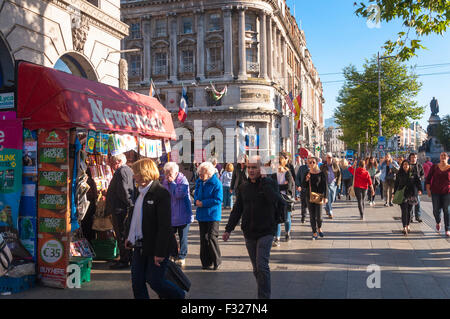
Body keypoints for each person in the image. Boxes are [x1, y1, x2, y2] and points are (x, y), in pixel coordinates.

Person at [124, 158, 185, 299]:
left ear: (144, 173)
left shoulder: (160, 193)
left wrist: (160, 252)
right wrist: (128, 236)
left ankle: (179, 296)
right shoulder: (139, 192)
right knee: (137, 282)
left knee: (155, 281)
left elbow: (164, 226)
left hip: (155, 246)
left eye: (135, 173)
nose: (133, 176)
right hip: (139, 245)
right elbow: (134, 217)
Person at [222, 156, 280, 299]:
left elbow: (275, 200)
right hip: (249, 232)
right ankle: (263, 288)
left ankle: (264, 297)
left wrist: (265, 182)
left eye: (254, 167)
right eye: (249, 167)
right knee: (256, 269)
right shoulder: (243, 187)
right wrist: (228, 229)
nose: (251, 170)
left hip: (266, 230)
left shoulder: (270, 183)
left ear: (261, 168)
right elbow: (237, 209)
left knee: (262, 265)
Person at [105, 154, 135, 269]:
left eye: (113, 163)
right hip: (122, 207)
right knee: (124, 233)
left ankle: (124, 259)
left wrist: (130, 204)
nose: (112, 166)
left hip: (119, 209)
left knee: (121, 234)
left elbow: (124, 190)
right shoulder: (128, 170)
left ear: (118, 162)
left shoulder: (121, 171)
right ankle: (127, 257)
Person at [162, 162, 193, 268]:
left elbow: (178, 195)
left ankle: (182, 256)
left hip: (183, 214)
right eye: (166, 174)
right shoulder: (165, 181)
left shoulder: (183, 180)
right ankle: (173, 253)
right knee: (170, 236)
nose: (167, 176)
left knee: (183, 237)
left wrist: (172, 184)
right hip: (171, 214)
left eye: (169, 174)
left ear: (176, 173)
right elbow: (164, 194)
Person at [194, 161, 223, 270]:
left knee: (211, 237)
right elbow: (196, 193)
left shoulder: (216, 183)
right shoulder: (199, 182)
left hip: (213, 215)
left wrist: (203, 203)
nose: (200, 175)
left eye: (202, 173)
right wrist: (196, 200)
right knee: (203, 238)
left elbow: (218, 199)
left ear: (209, 173)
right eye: (199, 173)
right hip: (202, 214)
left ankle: (217, 260)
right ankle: (206, 262)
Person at [271, 152, 295, 246]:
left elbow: (288, 187)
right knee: (277, 219)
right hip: (276, 198)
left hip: (286, 199)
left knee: (287, 218)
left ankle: (287, 233)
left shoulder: (287, 173)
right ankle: (277, 238)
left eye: (278, 163)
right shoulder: (274, 174)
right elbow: (272, 186)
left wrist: (278, 187)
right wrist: (281, 186)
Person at [394, 160, 422, 236]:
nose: (405, 166)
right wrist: (394, 193)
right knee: (404, 211)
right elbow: (396, 184)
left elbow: (418, 182)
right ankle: (404, 227)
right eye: (404, 165)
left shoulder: (413, 173)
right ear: (402, 166)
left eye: (407, 164)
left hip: (412, 194)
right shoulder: (399, 174)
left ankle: (408, 224)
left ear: (409, 166)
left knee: (409, 211)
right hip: (402, 195)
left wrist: (420, 190)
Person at [302, 156, 328, 240]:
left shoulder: (321, 173)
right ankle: (314, 232)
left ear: (316, 163)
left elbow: (325, 185)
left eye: (313, 162)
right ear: (308, 164)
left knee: (319, 216)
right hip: (309, 196)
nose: (311, 164)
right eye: (310, 162)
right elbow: (303, 185)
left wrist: (326, 196)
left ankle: (319, 227)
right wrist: (306, 179)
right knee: (312, 215)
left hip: (319, 196)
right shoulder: (307, 173)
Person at [425, 152, 450, 237]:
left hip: (447, 192)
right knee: (436, 210)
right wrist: (428, 190)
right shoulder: (434, 167)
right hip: (435, 191)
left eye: (445, 156)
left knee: (447, 210)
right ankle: (438, 221)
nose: (443, 157)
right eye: (442, 155)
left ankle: (447, 229)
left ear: (448, 158)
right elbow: (428, 179)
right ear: (440, 157)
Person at [320, 153, 342, 219]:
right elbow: (320, 174)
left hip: (333, 183)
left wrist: (338, 183)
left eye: (330, 157)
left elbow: (339, 174)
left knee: (332, 198)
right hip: (326, 184)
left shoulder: (335, 165)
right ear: (326, 158)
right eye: (328, 157)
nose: (329, 159)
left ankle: (327, 208)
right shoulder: (323, 166)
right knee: (328, 197)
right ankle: (330, 212)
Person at [408, 153, 424, 223]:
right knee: (410, 202)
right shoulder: (407, 165)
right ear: (410, 158)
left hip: (416, 186)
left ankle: (418, 216)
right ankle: (410, 217)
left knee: (417, 202)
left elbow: (422, 174)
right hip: (408, 186)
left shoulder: (419, 165)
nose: (413, 158)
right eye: (412, 157)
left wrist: (420, 178)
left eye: (415, 157)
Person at [295, 158, 309, 224]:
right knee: (303, 204)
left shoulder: (316, 168)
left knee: (312, 205)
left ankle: (314, 218)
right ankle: (303, 217)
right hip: (303, 189)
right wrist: (298, 185)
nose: (310, 162)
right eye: (308, 159)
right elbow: (297, 178)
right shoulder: (302, 168)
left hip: (312, 190)